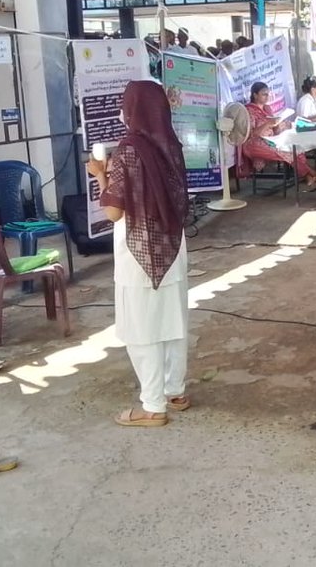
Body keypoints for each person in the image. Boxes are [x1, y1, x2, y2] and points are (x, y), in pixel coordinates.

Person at [87, 81, 191, 428]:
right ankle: (174, 390)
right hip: (172, 245)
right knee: (173, 322)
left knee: (141, 327)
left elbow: (115, 213)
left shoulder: (129, 149)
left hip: (139, 248)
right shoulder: (170, 144)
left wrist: (100, 176)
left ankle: (152, 406)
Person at [240, 82, 316, 190]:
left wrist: (278, 123)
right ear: (255, 95)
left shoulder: (267, 108)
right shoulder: (249, 111)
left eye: (268, 94)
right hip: (254, 143)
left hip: (271, 139)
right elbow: (252, 134)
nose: (267, 97)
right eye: (264, 94)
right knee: (287, 152)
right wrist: (268, 124)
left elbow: (275, 128)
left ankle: (308, 176)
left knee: (296, 148)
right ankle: (314, 174)